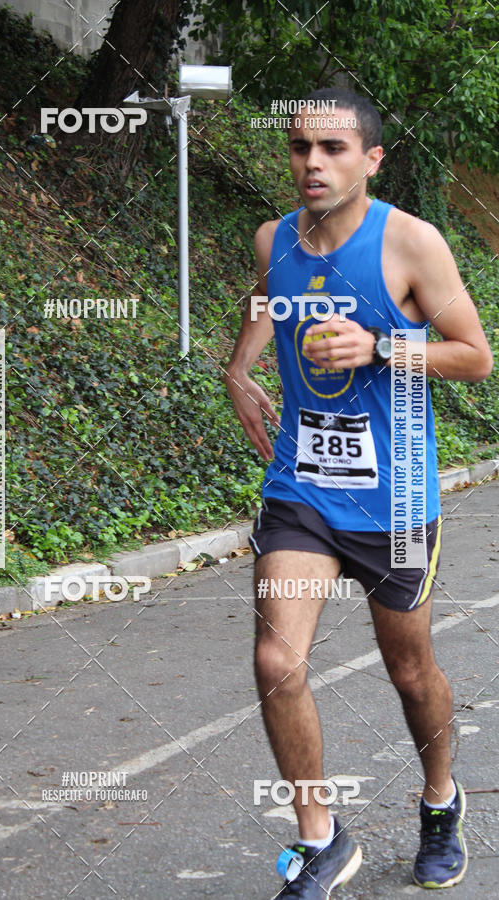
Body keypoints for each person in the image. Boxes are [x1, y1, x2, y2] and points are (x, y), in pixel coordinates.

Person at [224, 87, 493, 897]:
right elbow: (266, 293)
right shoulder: (276, 238)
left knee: (411, 676)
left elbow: (474, 355)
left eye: (334, 149)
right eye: (302, 147)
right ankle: (321, 837)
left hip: (396, 499)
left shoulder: (411, 244)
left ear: (371, 160)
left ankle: (440, 799)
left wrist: (380, 345)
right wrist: (239, 368)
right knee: (277, 660)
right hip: (304, 487)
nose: (313, 162)